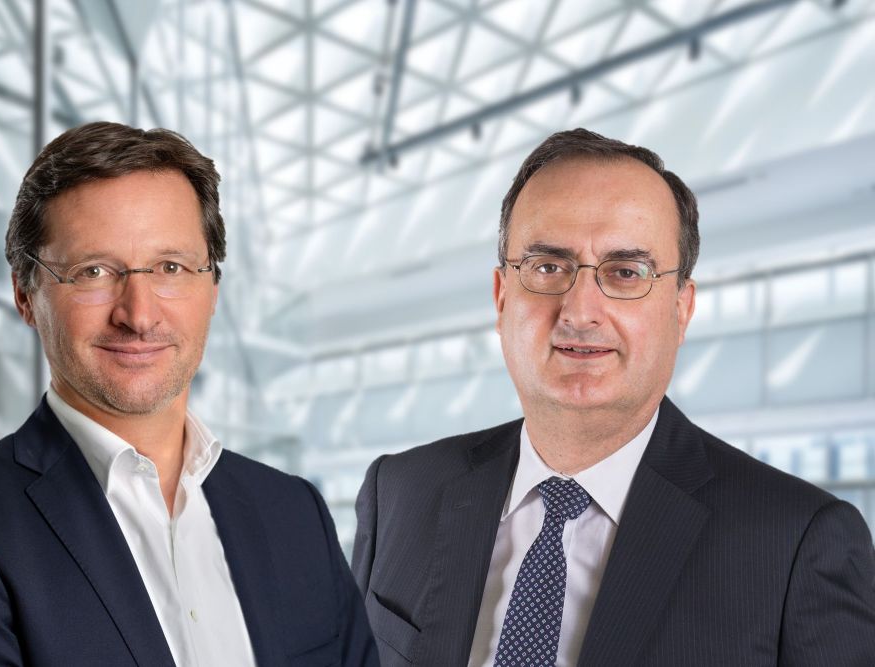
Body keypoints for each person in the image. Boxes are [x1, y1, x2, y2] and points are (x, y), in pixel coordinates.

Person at [351, 128, 875, 666]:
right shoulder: (400, 493)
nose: (580, 312)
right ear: (502, 297)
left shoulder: (796, 542)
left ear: (681, 309)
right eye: (547, 267)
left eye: (626, 273)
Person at [0, 121, 377, 666]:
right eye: (93, 271)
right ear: (25, 294)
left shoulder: (295, 512)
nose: (138, 315)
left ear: (213, 288)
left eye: (170, 267)